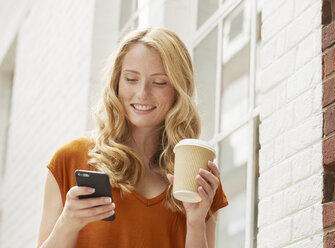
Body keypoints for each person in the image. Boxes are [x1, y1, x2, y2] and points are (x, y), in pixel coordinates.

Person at [37, 27, 228, 248]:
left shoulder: (198, 178)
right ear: (116, 83)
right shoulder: (69, 160)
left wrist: (196, 223)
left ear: (178, 89)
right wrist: (67, 224)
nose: (142, 93)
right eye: (130, 79)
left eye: (159, 82)